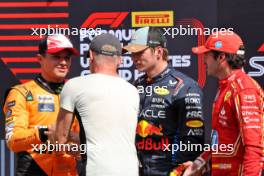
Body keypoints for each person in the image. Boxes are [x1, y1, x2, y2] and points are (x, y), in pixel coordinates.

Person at [123, 26, 205, 176]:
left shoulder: (185, 86)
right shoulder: (137, 84)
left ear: (159, 52)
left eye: (140, 52)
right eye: (132, 53)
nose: (134, 58)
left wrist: (180, 170)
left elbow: (193, 136)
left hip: (170, 171)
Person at [55, 33, 140, 176]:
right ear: (119, 60)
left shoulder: (74, 85)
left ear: (91, 55)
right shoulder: (133, 91)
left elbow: (59, 139)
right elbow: (110, 136)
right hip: (130, 171)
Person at [184, 31, 264, 176]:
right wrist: (201, 162)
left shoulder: (244, 89)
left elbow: (254, 148)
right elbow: (221, 139)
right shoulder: (226, 86)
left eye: (207, 54)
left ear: (221, 57)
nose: (204, 60)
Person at [3, 34, 80, 176]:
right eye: (56, 56)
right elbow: (13, 140)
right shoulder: (21, 93)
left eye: (67, 58)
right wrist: (42, 134)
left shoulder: (76, 94)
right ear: (40, 59)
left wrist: (77, 147)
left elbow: (81, 143)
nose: (63, 62)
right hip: (33, 171)